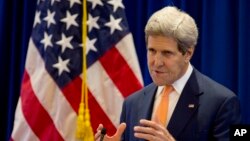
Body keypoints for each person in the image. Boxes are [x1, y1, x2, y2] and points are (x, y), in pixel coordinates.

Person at [94, 6, 241, 141]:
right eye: (152, 51)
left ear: (188, 53)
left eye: (167, 53)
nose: (157, 62)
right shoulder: (132, 103)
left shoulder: (223, 102)